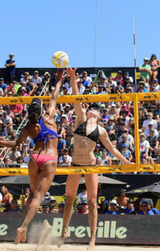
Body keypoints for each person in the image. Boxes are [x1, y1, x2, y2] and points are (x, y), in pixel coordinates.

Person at [0, 67, 67, 245]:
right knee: (37, 198)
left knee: (31, 197)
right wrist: (59, 81)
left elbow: (14, 145)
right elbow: (54, 96)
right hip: (49, 159)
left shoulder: (28, 127)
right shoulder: (49, 117)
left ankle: (25, 230)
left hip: (34, 158)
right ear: (41, 109)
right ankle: (23, 226)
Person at [59, 68, 134, 250]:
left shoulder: (101, 130)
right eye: (91, 108)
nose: (92, 110)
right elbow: (76, 98)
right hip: (76, 164)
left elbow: (112, 149)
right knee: (69, 198)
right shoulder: (80, 119)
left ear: (100, 116)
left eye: (96, 109)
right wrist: (73, 77)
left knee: (92, 202)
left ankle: (92, 239)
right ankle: (64, 230)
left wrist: (126, 163)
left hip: (91, 166)